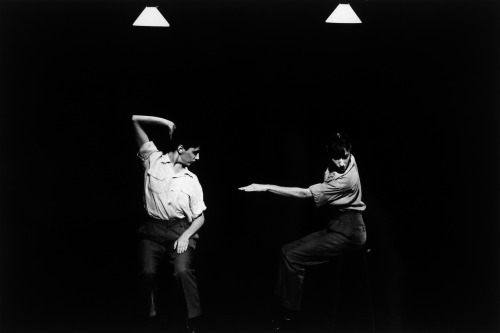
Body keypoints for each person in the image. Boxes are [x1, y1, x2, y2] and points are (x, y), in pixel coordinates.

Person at [239, 131, 366, 330]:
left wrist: (265, 187)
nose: (341, 162)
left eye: (345, 157)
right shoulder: (347, 158)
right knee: (285, 250)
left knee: (293, 256)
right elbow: (338, 145)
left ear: (350, 152)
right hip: (336, 224)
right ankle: (280, 305)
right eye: (337, 157)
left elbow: (304, 193)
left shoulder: (345, 180)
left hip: (350, 231)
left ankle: (289, 316)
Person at [132, 115, 206, 333]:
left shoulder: (192, 180)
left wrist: (185, 236)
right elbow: (134, 120)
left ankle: (194, 321)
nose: (198, 157)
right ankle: (150, 315)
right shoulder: (152, 159)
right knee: (146, 272)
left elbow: (200, 216)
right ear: (181, 148)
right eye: (195, 151)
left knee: (181, 271)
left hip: (180, 230)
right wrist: (165, 123)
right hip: (152, 229)